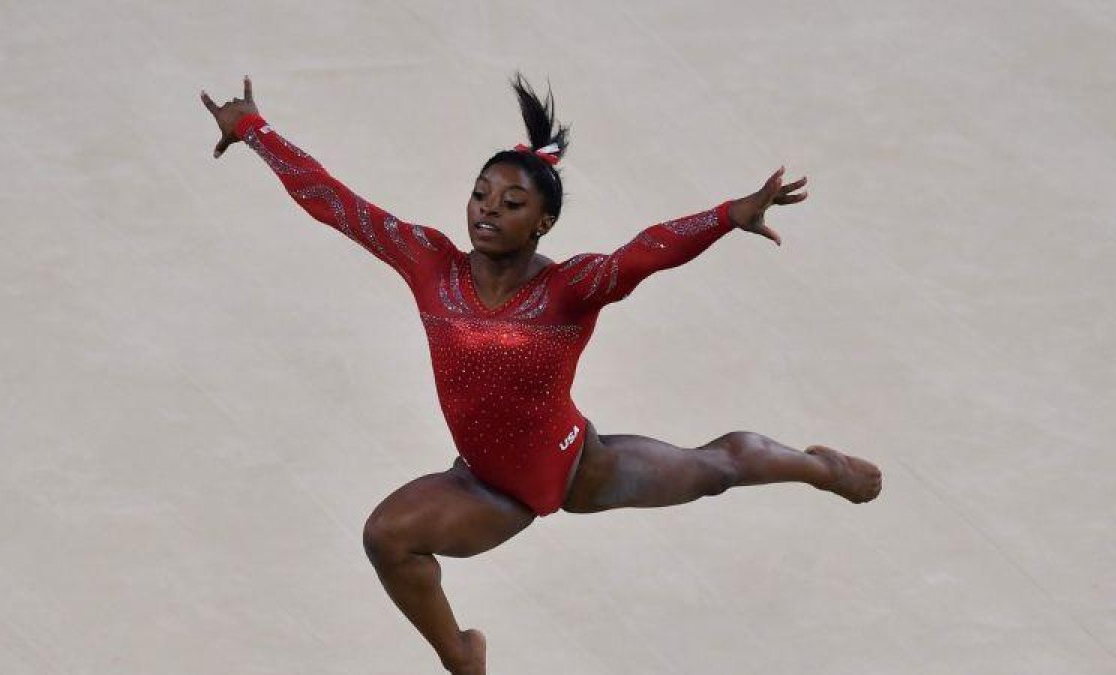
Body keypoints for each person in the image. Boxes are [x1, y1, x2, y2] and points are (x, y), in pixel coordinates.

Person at [201, 74, 881, 675]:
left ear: (544, 222)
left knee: (719, 468)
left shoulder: (568, 289)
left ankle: (818, 466)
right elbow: (337, 202)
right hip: (487, 485)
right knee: (387, 536)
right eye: (480, 194)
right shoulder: (430, 263)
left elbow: (644, 253)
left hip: (577, 463)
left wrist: (728, 216)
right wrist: (256, 130)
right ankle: (462, 656)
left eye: (511, 203)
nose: (488, 209)